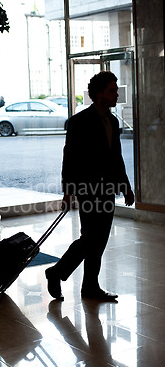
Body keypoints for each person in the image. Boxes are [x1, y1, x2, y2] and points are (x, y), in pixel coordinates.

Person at [46, 71, 134, 302]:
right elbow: (70, 157)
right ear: (98, 94)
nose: (116, 95)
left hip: (107, 190)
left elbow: (117, 157)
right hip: (88, 189)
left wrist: (126, 186)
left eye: (116, 90)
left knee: (100, 239)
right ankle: (56, 272)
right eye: (112, 91)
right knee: (90, 238)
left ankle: (89, 287)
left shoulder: (113, 122)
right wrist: (68, 191)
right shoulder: (79, 121)